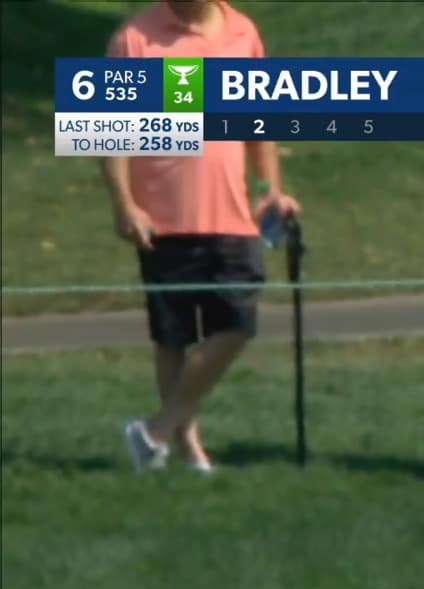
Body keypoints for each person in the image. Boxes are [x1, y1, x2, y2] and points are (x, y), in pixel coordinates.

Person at [111, 0, 300, 473]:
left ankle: (156, 429)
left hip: (232, 213)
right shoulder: (136, 39)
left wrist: (269, 189)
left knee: (236, 322)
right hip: (162, 217)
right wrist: (123, 204)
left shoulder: (242, 33)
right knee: (173, 336)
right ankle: (185, 448)